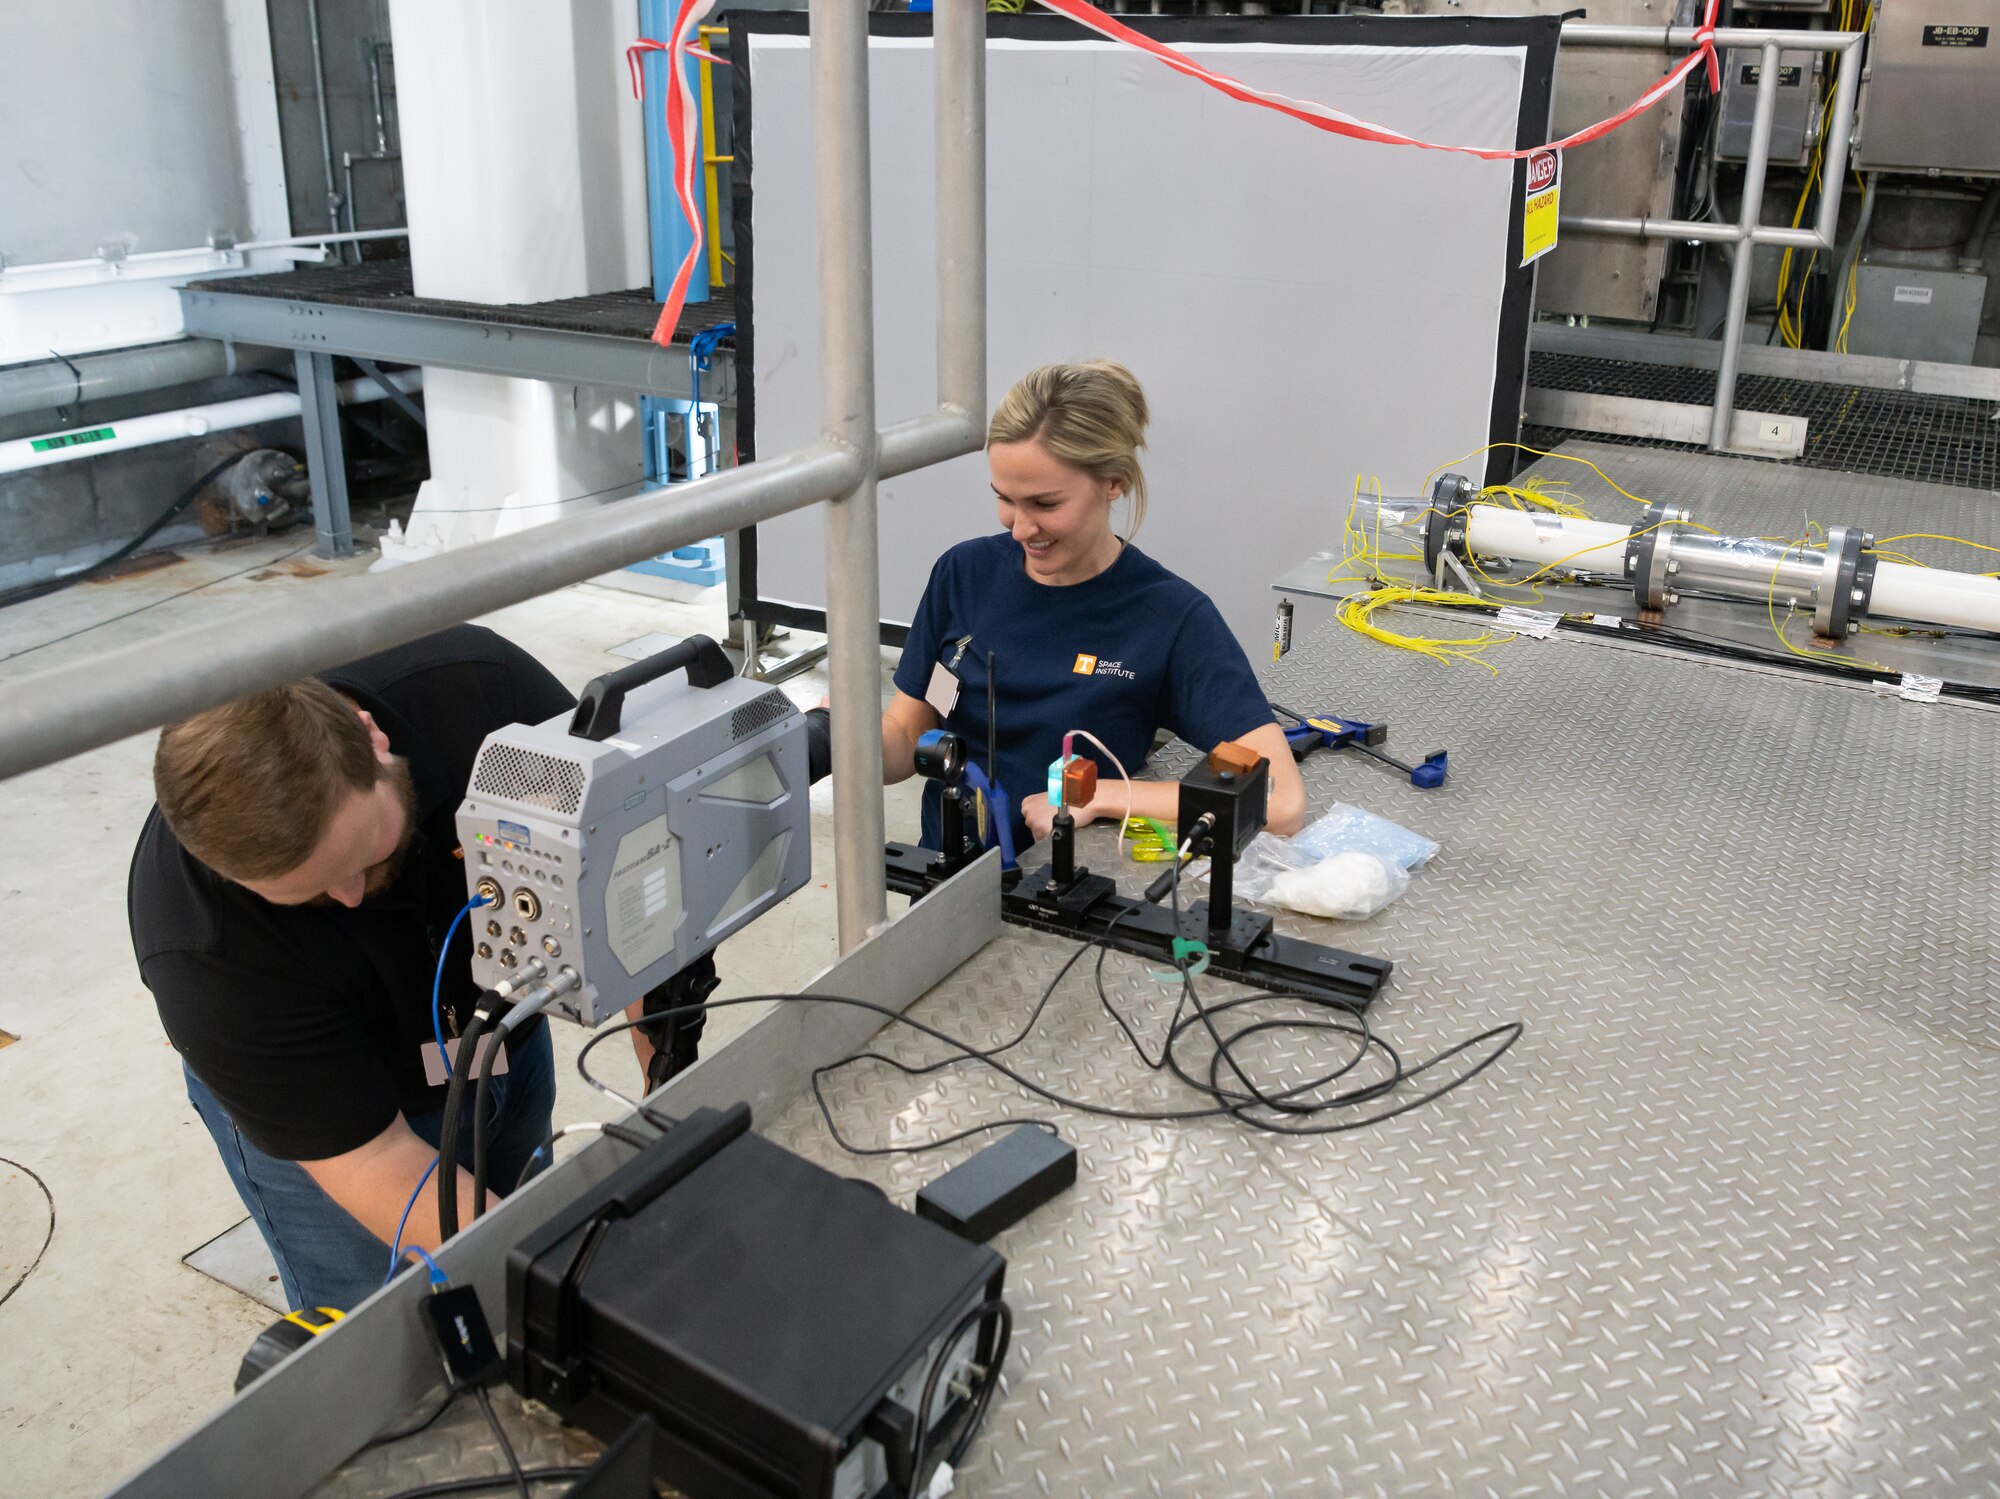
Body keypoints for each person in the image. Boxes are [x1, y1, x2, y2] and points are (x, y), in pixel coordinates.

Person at [128, 625, 577, 1313]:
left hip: (499, 1036)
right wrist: (569, 1291)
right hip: (341, 1113)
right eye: (308, 894)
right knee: (383, 1324)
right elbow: (375, 1161)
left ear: (371, 737)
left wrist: (671, 1089)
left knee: (521, 1226)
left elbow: (631, 882)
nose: (351, 895)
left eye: (365, 852)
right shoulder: (205, 950)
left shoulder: (487, 697)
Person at [880, 360, 1306, 853]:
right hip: (947, 884)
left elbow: (1281, 801)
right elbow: (908, 738)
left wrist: (1099, 796)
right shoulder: (963, 574)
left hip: (1069, 899)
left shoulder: (1169, 617)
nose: (1019, 529)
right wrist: (850, 742)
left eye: (1045, 504)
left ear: (1114, 481)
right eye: (1005, 499)